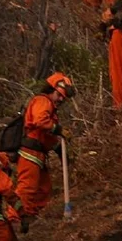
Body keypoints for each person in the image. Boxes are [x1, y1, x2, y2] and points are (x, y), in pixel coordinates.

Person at [16, 73, 75, 217]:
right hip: (30, 153)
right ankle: (18, 219)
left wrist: (58, 148)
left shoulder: (49, 106)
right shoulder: (43, 101)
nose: (60, 99)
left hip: (39, 154)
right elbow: (40, 121)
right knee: (27, 189)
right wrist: (58, 129)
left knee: (44, 189)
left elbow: (45, 134)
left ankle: (35, 218)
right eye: (59, 95)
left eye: (63, 98)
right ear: (51, 89)